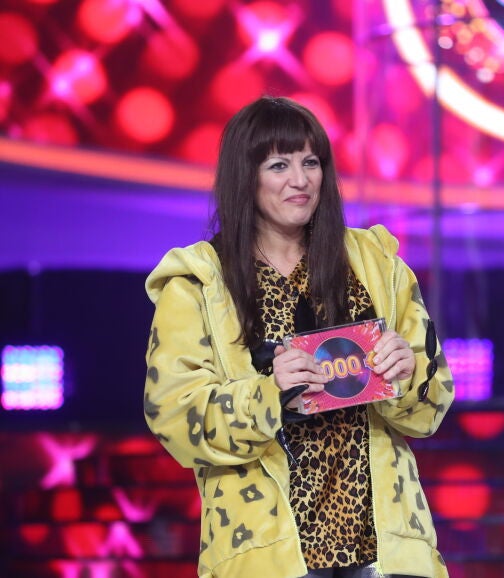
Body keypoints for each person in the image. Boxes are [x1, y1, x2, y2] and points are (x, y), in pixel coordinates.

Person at [143, 96, 453, 578]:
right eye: (279, 165)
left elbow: (432, 405)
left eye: (311, 162)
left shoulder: (375, 264)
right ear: (245, 176)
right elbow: (174, 416)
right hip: (268, 549)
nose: (300, 180)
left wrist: (408, 374)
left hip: (381, 544)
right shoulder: (199, 281)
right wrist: (270, 395)